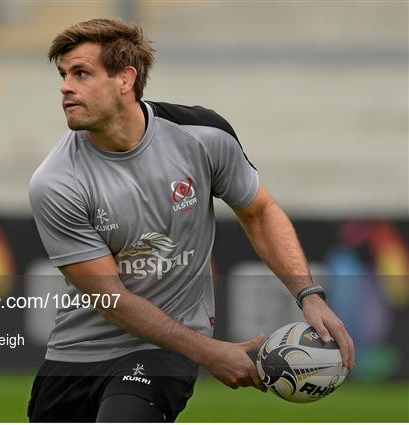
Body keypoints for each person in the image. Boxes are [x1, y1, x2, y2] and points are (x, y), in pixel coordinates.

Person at [27, 18, 355, 422]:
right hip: (75, 355)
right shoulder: (56, 181)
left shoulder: (202, 136)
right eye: (63, 75)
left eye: (81, 73)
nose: (64, 86)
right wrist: (213, 354)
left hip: (164, 350)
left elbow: (259, 211)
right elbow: (109, 298)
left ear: (125, 79)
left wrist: (309, 295)